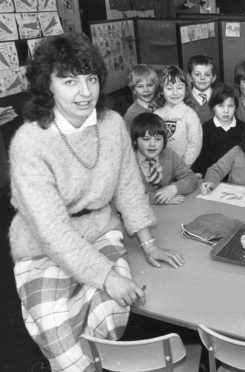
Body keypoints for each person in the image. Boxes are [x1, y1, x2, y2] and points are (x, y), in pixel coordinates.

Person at [10, 34, 183, 372]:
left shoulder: (113, 124)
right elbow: (52, 231)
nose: (85, 91)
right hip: (42, 245)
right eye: (70, 80)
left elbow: (128, 187)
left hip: (102, 231)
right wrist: (106, 276)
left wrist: (148, 244)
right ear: (48, 85)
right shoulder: (29, 142)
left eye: (90, 79)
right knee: (56, 325)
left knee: (113, 310)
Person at [131, 112, 198, 204]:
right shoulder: (128, 161)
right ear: (135, 141)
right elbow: (126, 195)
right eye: (146, 139)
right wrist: (159, 199)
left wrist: (173, 189)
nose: (153, 144)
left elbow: (191, 178)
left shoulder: (169, 155)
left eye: (158, 139)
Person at [192, 83, 245, 175]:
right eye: (221, 106)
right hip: (211, 177)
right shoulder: (206, 128)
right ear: (213, 107)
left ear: (236, 107)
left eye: (230, 106)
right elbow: (201, 159)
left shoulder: (244, 128)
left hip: (237, 178)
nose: (226, 111)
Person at [154, 65, 203, 167]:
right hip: (161, 167)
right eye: (169, 88)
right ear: (161, 91)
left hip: (183, 167)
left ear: (186, 89)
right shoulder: (156, 114)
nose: (175, 92)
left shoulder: (190, 115)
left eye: (179, 87)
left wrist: (184, 165)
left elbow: (195, 144)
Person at [185, 54, 218, 124]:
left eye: (207, 75)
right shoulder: (184, 99)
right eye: (197, 74)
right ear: (189, 77)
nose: (202, 78)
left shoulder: (219, 97)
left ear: (213, 78)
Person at [123, 64, 159, 129]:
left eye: (149, 85)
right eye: (140, 86)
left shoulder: (160, 105)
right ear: (134, 90)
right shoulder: (131, 114)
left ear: (155, 86)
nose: (146, 90)